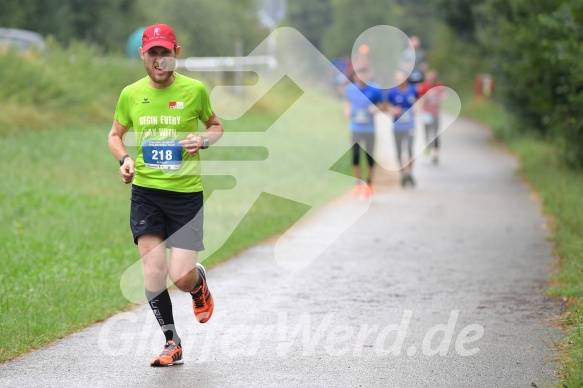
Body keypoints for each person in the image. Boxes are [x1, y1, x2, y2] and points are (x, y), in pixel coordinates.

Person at [107, 23, 224, 367]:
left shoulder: (195, 91)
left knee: (180, 276)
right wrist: (125, 159)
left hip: (185, 196)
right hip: (146, 193)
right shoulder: (131, 94)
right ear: (143, 55)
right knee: (153, 272)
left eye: (166, 53)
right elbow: (115, 134)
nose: (160, 60)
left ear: (177, 54)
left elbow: (216, 126)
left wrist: (202, 140)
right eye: (153, 53)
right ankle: (171, 342)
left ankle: (198, 283)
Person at [344, 66, 384, 198]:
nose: (362, 77)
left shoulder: (375, 89)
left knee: (369, 157)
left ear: (368, 75)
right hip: (356, 127)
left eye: (364, 74)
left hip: (369, 129)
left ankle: (369, 184)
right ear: (355, 77)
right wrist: (347, 110)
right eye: (359, 75)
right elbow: (348, 102)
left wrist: (376, 108)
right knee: (355, 156)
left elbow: (384, 104)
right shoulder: (350, 88)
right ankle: (358, 184)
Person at [386, 70, 419, 187]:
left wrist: (416, 108)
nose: (399, 80)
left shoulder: (413, 90)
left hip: (410, 125)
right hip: (397, 126)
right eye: (397, 78)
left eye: (401, 78)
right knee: (399, 151)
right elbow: (385, 106)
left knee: (410, 149)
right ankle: (403, 174)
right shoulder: (392, 92)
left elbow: (419, 101)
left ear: (406, 79)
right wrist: (393, 110)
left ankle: (409, 172)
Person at [416, 69, 445, 165]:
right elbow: (419, 99)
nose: (431, 78)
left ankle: (436, 154)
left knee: (436, 133)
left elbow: (444, 95)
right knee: (427, 132)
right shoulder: (423, 86)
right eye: (429, 77)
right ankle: (428, 146)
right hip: (426, 114)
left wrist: (439, 96)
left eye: (432, 77)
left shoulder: (439, 86)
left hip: (435, 113)